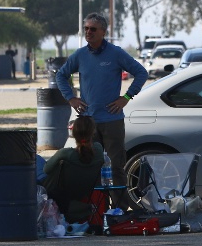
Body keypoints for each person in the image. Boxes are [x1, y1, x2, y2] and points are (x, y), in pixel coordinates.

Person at [55, 12, 148, 211]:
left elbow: (141, 73)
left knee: (116, 167)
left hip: (112, 121)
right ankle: (96, 211)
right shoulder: (80, 55)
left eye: (93, 29)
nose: (88, 32)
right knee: (91, 167)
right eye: (86, 28)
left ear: (103, 32)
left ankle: (120, 210)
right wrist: (71, 98)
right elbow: (61, 76)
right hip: (88, 122)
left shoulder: (116, 53)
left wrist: (126, 98)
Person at [42, 116, 104, 222]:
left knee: (38, 162)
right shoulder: (98, 150)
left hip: (60, 191)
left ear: (73, 133)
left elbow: (46, 170)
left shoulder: (64, 153)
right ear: (93, 132)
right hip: (84, 190)